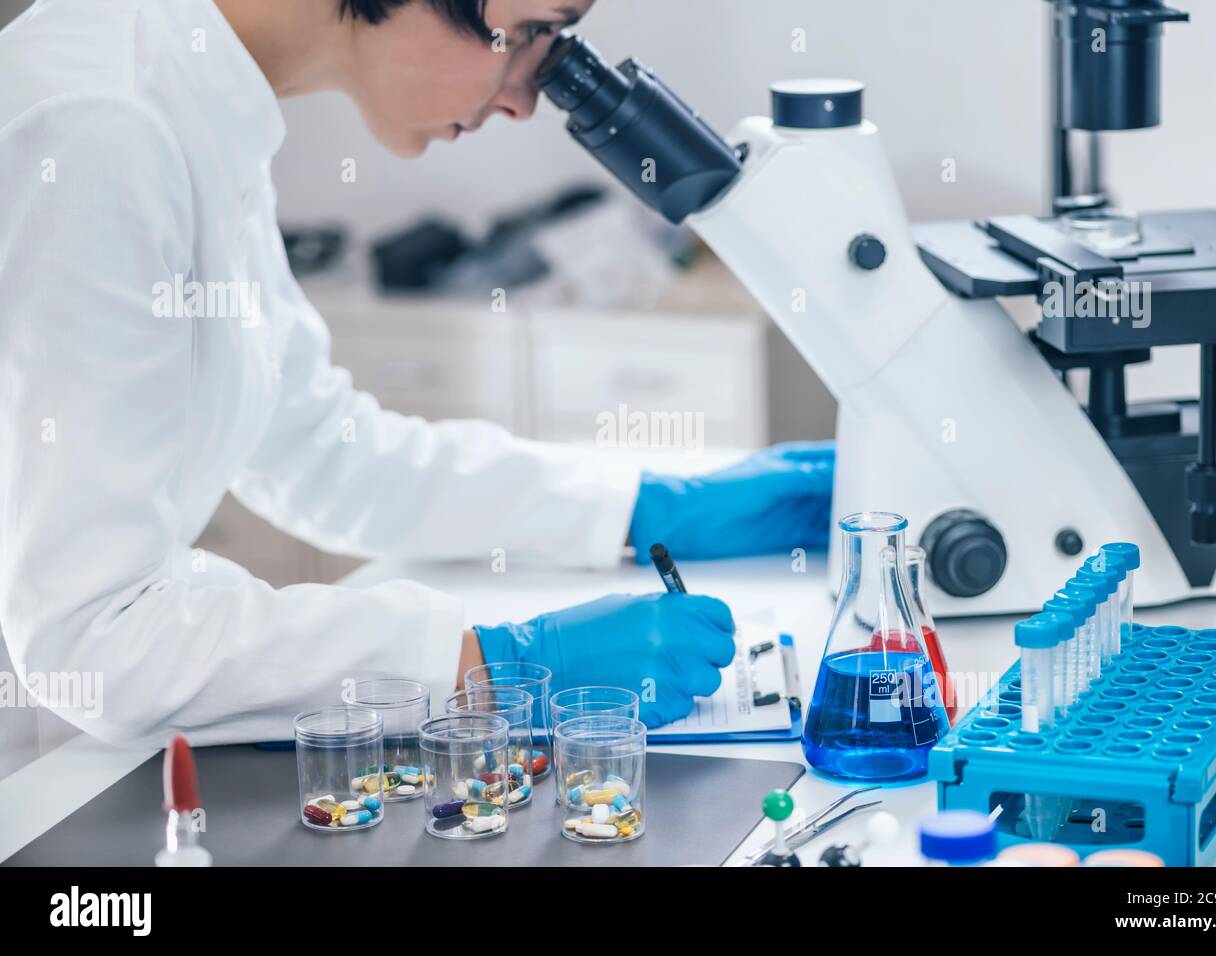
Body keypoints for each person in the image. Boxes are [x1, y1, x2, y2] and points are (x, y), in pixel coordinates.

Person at [0, 0, 833, 745]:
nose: (522, 99)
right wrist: (490, 666)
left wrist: (641, 507)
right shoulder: (101, 124)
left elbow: (318, 450)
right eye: (536, 32)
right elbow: (98, 640)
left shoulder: (205, 101)